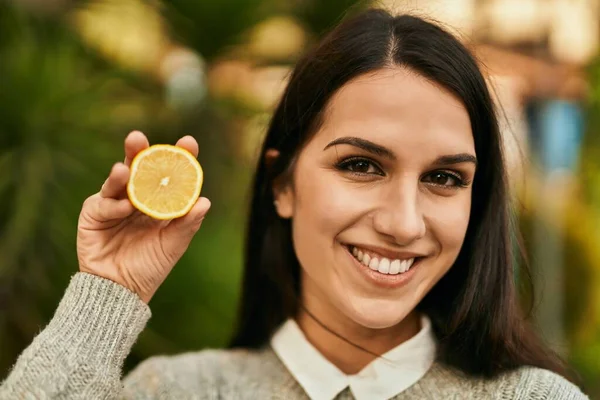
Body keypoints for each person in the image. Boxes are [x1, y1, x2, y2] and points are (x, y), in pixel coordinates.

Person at [0, 8, 590, 400]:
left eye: (443, 178)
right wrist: (107, 297)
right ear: (282, 183)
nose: (404, 222)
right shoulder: (176, 391)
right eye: (361, 166)